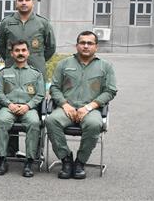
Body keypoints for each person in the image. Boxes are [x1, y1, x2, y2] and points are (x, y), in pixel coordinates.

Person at [46, 31, 117, 179]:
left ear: (96, 47)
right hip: (66, 108)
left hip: (90, 109)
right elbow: (54, 88)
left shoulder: (105, 66)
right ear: (76, 45)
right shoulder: (64, 64)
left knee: (94, 124)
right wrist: (65, 104)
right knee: (51, 121)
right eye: (82, 43)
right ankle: (65, 159)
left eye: (90, 43)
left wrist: (89, 107)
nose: (86, 46)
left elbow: (110, 91)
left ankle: (80, 162)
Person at [0, 0, 56, 157]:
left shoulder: (43, 23)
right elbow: (1, 45)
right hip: (11, 72)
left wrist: (37, 61)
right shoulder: (7, 22)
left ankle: (35, 153)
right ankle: (10, 150)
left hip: (36, 72)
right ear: (16, 2)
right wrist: (10, 59)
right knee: (10, 106)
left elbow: (50, 47)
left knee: (36, 112)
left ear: (33, 2)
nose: (23, 2)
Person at [0, 40, 44, 177]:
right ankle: (3, 160)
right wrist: (9, 104)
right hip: (8, 107)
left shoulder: (36, 74)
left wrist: (28, 106)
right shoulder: (4, 73)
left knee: (34, 123)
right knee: (2, 122)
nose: (20, 53)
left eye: (23, 50)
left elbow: (40, 94)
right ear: (12, 53)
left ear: (28, 53)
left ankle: (29, 162)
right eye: (17, 51)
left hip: (29, 108)